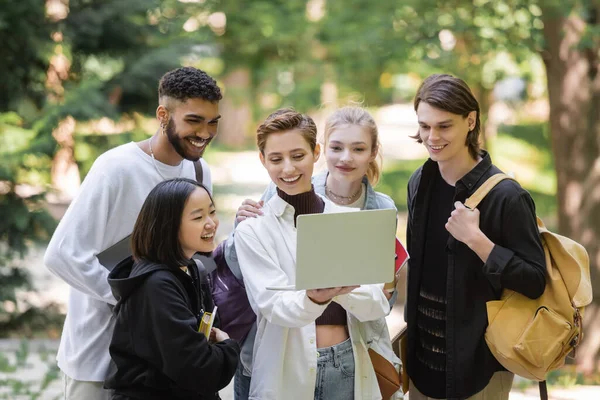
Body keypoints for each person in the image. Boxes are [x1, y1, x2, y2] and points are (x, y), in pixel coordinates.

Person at [43, 67, 222, 400]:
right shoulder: (116, 167)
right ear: (162, 114)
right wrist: (138, 302)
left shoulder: (199, 170)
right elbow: (61, 255)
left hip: (161, 364)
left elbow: (196, 252)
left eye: (213, 122)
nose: (205, 132)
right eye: (194, 120)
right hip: (98, 355)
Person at [230, 106, 403, 400]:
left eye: (298, 156)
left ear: (316, 152)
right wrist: (317, 296)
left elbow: (377, 303)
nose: (288, 168)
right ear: (263, 160)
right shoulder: (254, 229)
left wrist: (335, 289)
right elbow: (272, 304)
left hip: (348, 363)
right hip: (287, 370)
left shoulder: (348, 220)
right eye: (276, 159)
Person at [405, 74, 546, 399]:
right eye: (424, 126)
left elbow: (535, 281)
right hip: (422, 365)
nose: (432, 137)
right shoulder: (420, 182)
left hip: (478, 368)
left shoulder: (506, 197)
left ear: (471, 121)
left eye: (444, 126)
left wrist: (478, 241)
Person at [104, 178, 239, 400]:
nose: (211, 223)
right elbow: (200, 369)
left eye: (212, 212)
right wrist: (227, 347)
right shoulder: (156, 286)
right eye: (198, 217)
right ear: (168, 226)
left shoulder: (193, 268)